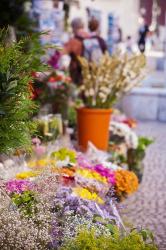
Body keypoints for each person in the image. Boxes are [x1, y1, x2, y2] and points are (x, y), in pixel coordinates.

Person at [63, 17, 89, 85]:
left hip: (76, 72)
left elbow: (62, 52)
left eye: (72, 28)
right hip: (88, 71)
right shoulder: (89, 37)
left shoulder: (74, 40)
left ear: (74, 27)